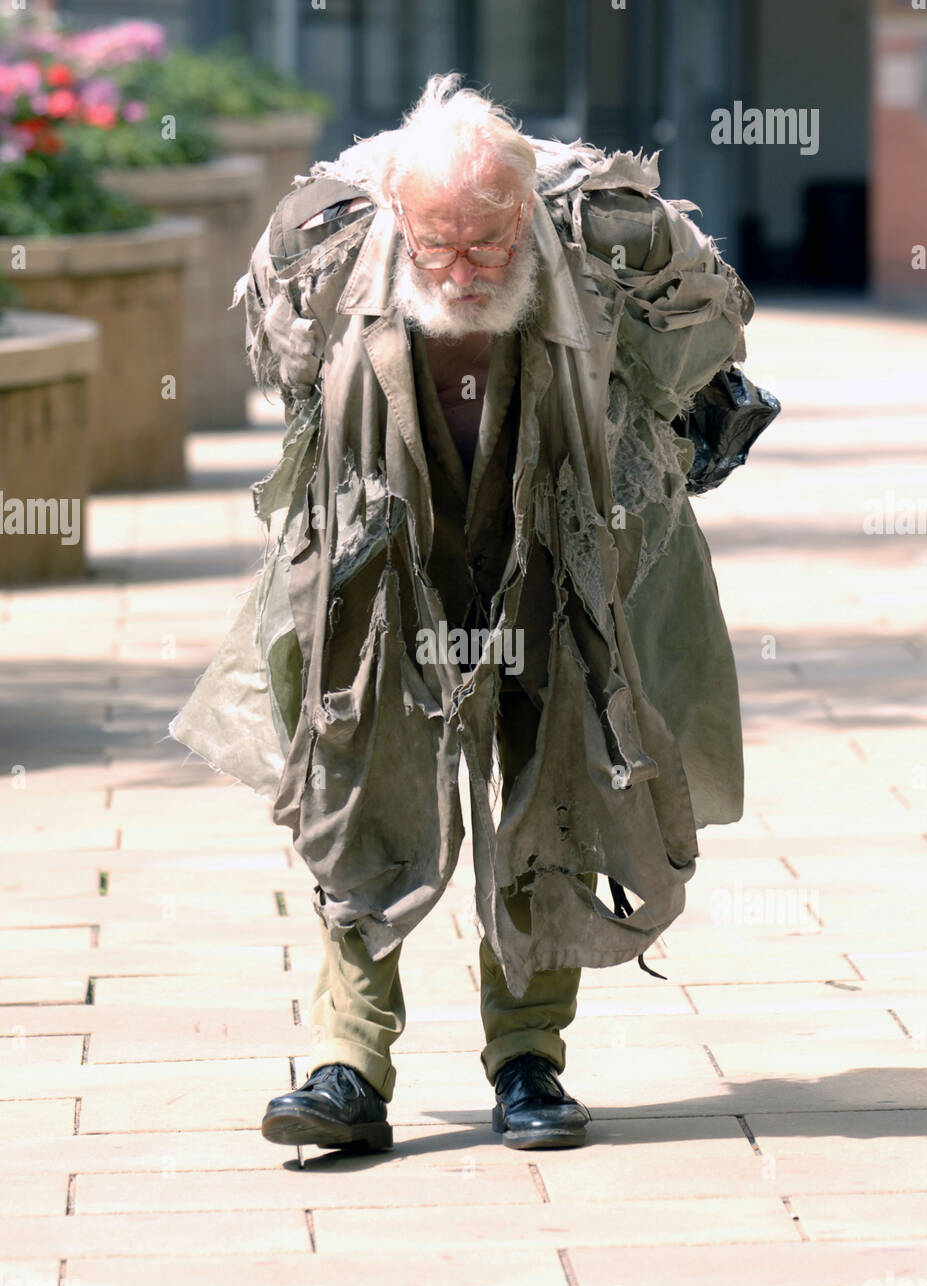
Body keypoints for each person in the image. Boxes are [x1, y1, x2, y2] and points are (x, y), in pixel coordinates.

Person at [169, 74, 756, 1152]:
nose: (463, 270)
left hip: (561, 551)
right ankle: (349, 1063)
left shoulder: (602, 247)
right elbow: (290, 379)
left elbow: (704, 351)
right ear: (399, 214)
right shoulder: (334, 253)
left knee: (557, 785)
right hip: (383, 557)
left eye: (487, 243)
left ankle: (527, 1061)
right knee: (356, 784)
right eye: (439, 245)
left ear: (525, 213)